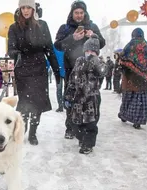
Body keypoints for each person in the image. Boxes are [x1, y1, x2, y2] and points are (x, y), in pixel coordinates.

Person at [7, 0, 60, 145]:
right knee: (24, 103)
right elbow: (10, 49)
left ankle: (33, 132)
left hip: (39, 68)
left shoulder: (42, 25)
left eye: (28, 7)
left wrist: (56, 71)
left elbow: (49, 49)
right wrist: (16, 53)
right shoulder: (14, 27)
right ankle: (21, 131)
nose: (25, 10)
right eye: (23, 7)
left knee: (37, 104)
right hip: (23, 68)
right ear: (19, 9)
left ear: (33, 9)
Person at [54, 0, 105, 139]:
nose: (79, 15)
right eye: (76, 13)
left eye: (81, 12)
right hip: (72, 70)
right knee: (71, 98)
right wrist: (72, 38)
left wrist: (93, 36)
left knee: (91, 99)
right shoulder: (65, 28)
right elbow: (57, 45)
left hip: (91, 71)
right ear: (72, 13)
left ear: (85, 13)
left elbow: (102, 42)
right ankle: (70, 127)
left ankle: (88, 128)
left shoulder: (92, 26)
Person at [64, 34, 106, 154]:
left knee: (91, 123)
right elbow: (72, 79)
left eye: (93, 51)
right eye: (87, 50)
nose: (90, 53)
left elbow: (104, 72)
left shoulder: (98, 63)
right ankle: (82, 138)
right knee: (77, 122)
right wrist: (68, 96)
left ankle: (88, 144)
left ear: (97, 52)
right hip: (78, 98)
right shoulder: (79, 61)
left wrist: (96, 60)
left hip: (92, 99)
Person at [118, 28, 147, 129]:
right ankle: (138, 120)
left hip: (130, 77)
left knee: (127, 98)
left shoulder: (130, 45)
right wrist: (146, 74)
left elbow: (122, 60)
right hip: (143, 80)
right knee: (140, 100)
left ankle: (124, 115)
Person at [54, 45, 65, 112]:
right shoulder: (54, 47)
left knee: (67, 88)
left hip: (66, 70)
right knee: (59, 89)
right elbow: (51, 57)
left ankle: (64, 103)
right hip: (58, 72)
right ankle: (60, 105)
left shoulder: (66, 45)